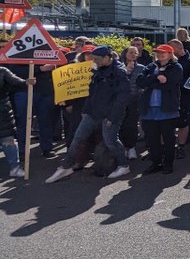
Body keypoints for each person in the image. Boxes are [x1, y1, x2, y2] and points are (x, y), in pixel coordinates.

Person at [47, 46, 131, 183]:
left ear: (106, 58)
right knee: (77, 138)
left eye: (97, 59)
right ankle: (66, 166)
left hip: (110, 114)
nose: (94, 61)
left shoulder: (119, 72)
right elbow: (92, 93)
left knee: (111, 141)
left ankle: (123, 165)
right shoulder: (97, 70)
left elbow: (122, 98)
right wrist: (85, 111)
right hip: (93, 113)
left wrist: (112, 117)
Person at [135, 43, 183, 175]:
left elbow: (170, 85)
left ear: (170, 54)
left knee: (169, 139)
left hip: (167, 109)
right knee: (152, 139)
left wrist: (151, 83)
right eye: (158, 52)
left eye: (164, 52)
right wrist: (156, 78)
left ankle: (168, 164)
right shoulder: (150, 66)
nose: (160, 55)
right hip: (149, 110)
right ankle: (156, 163)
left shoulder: (176, 67)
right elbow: (140, 81)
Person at [1, 66, 36, 178]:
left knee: (8, 140)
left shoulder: (2, 71)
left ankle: (15, 168)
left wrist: (26, 82)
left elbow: (15, 81)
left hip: (2, 112)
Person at [169, 39, 190, 158]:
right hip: (170, 97)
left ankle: (181, 147)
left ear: (178, 48)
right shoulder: (169, 60)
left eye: (171, 48)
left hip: (184, 97)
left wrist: (174, 83)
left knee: (182, 123)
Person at [119, 46, 146, 161]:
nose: (133, 54)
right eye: (130, 52)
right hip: (119, 101)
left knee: (131, 125)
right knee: (120, 124)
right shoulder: (118, 67)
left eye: (135, 53)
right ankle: (122, 148)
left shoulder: (141, 68)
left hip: (134, 101)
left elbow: (143, 83)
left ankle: (131, 147)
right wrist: (127, 72)